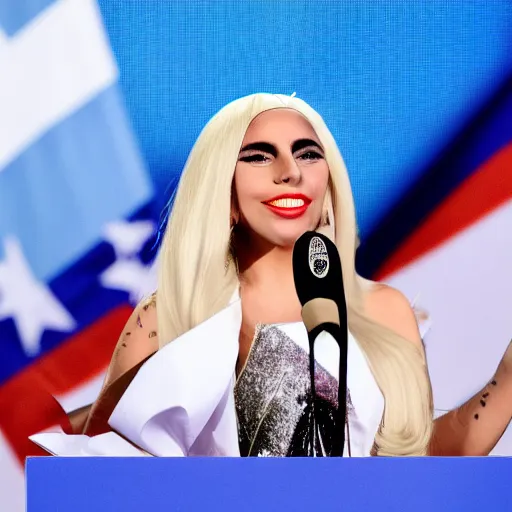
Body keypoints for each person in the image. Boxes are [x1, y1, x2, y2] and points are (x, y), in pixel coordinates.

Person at [32, 93, 510, 457]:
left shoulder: (384, 311)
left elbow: (421, 466)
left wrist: (505, 383)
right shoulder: (170, 314)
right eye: (259, 156)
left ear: (327, 183)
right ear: (223, 190)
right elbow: (97, 475)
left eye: (307, 154)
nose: (290, 172)